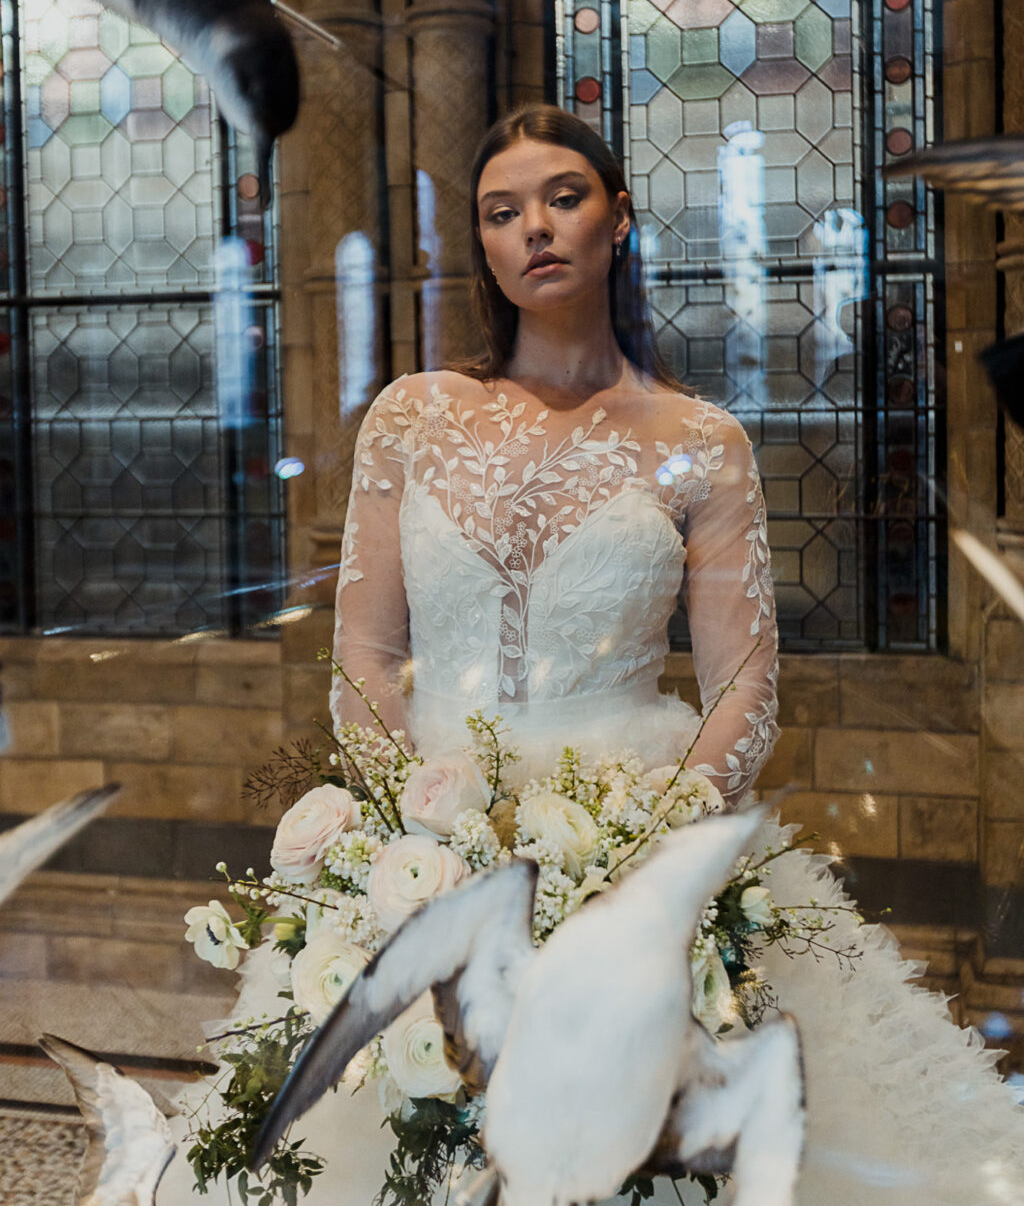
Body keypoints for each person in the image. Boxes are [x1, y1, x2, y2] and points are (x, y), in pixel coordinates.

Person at [162, 105, 1023, 1205]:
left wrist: (646, 856)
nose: (535, 229)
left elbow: (743, 681)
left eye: (563, 197)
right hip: (423, 849)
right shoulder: (411, 417)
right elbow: (366, 657)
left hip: (633, 833)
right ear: (477, 242)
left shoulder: (697, 440)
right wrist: (411, 833)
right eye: (501, 211)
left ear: (617, 217)